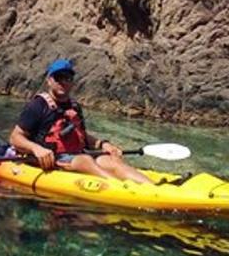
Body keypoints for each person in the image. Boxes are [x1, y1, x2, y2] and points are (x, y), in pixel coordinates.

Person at [8, 59, 151, 183]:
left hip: (77, 155)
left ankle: (153, 188)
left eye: (68, 78)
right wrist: (36, 149)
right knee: (85, 161)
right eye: (59, 78)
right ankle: (121, 190)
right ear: (49, 81)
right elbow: (15, 137)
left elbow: (81, 135)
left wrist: (103, 144)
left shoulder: (75, 106)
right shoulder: (38, 105)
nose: (63, 82)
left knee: (111, 160)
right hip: (54, 158)